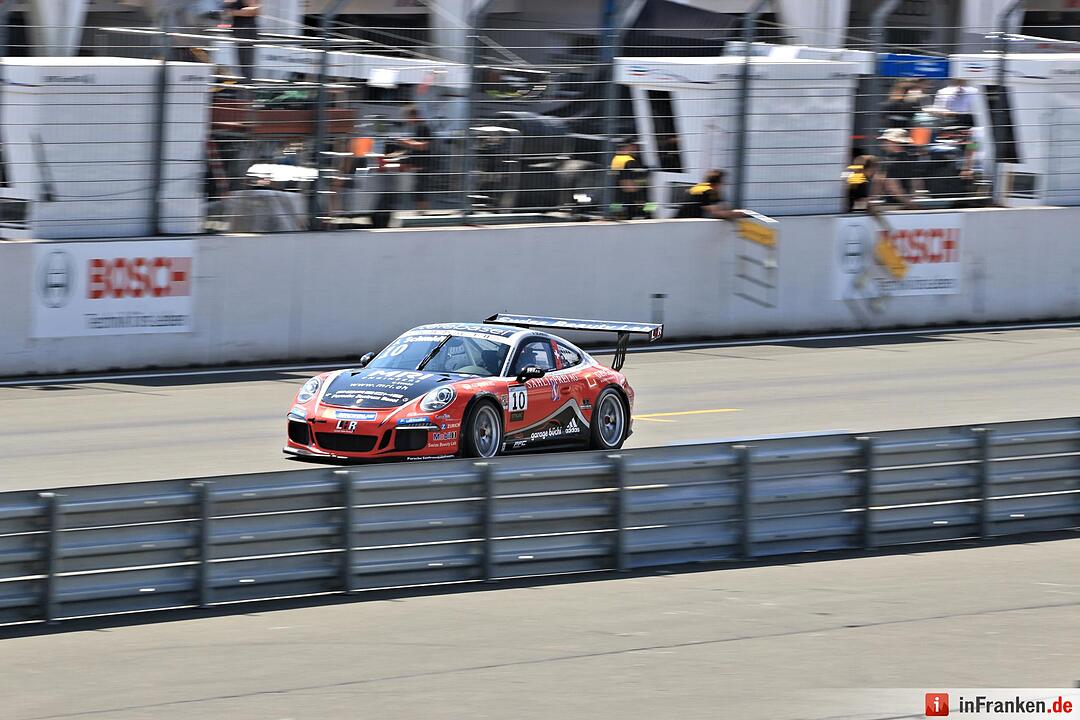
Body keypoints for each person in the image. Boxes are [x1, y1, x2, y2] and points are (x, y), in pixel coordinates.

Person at [396, 105, 434, 211]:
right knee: (419, 190)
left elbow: (424, 145)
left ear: (413, 116)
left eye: (407, 117)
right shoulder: (418, 127)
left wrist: (406, 142)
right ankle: (421, 212)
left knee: (421, 190)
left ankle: (423, 213)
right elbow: (416, 143)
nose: (406, 120)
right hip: (418, 164)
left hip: (423, 164)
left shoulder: (423, 127)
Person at [675, 169, 747, 220]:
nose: (724, 185)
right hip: (685, 225)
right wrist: (739, 214)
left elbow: (724, 207)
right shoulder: (708, 191)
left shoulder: (699, 187)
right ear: (717, 184)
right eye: (723, 182)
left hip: (679, 222)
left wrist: (730, 211)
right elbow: (716, 213)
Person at [610, 141, 648, 219]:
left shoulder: (615, 158)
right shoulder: (629, 161)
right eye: (634, 146)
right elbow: (629, 186)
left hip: (616, 199)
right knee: (653, 203)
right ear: (629, 146)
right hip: (630, 201)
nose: (637, 148)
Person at [225, 0, 259, 82]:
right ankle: (244, 89)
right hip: (239, 32)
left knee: (246, 68)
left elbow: (255, 10)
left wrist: (234, 12)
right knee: (242, 68)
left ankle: (247, 91)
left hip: (246, 33)